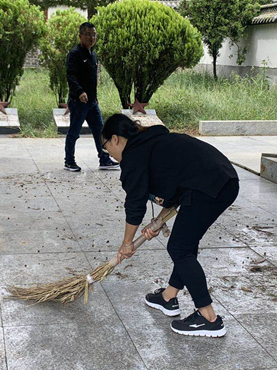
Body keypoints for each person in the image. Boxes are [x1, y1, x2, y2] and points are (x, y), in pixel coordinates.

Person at [101, 114, 239, 337]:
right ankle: (168, 297)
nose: (109, 153)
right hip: (224, 179)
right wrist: (158, 221)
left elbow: (135, 204)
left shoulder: (133, 156)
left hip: (210, 187)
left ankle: (209, 318)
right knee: (186, 243)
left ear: (115, 139)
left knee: (179, 248)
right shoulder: (150, 142)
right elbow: (176, 186)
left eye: (106, 146)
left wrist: (126, 243)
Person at [64, 22, 119, 172]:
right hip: (78, 101)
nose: (92, 38)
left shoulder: (93, 54)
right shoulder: (74, 54)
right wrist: (80, 92)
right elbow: (71, 76)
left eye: (94, 35)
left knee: (100, 131)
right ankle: (69, 161)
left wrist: (94, 97)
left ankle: (104, 159)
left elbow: (92, 80)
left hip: (92, 102)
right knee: (74, 133)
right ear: (80, 36)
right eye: (88, 34)